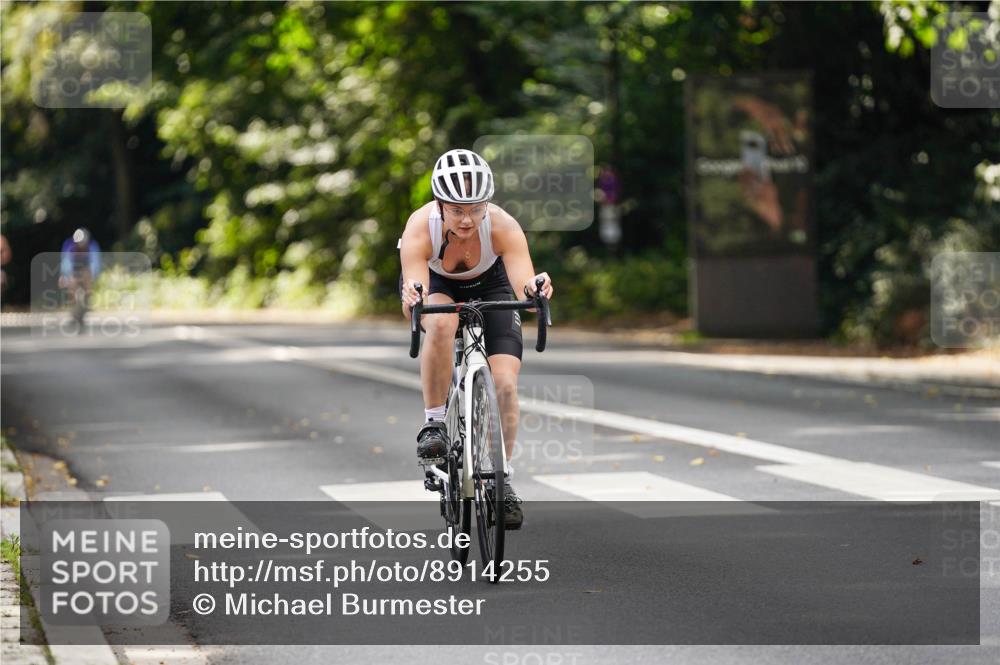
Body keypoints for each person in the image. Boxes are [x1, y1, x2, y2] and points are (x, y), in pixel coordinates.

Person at [399, 149, 553, 530]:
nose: (467, 219)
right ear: (440, 205)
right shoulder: (421, 227)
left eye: (476, 208)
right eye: (456, 210)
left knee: (504, 387)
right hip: (438, 285)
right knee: (439, 323)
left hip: (493, 285)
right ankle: (434, 424)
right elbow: (413, 307)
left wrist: (537, 291)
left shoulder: (503, 225)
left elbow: (524, 288)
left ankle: (502, 483)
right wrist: (413, 300)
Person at [59, 228, 102, 325]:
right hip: (73, 270)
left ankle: (87, 301)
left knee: (88, 278)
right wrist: (64, 277)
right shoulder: (69, 246)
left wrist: (94, 276)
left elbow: (95, 264)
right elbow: (65, 263)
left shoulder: (92, 246)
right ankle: (74, 311)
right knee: (71, 286)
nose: (81, 245)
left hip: (87, 270)